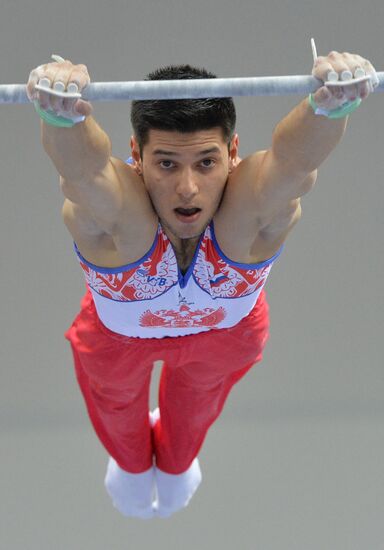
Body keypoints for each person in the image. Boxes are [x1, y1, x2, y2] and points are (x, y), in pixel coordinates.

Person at [26, 49, 377, 519]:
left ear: (233, 153)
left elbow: (293, 165)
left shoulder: (246, 209)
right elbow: (82, 173)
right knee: (119, 418)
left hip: (223, 339)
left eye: (206, 163)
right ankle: (131, 468)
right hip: (117, 342)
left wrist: (330, 105)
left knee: (190, 422)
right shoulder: (121, 216)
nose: (188, 188)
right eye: (167, 164)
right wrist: (62, 113)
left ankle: (172, 468)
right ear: (136, 155)